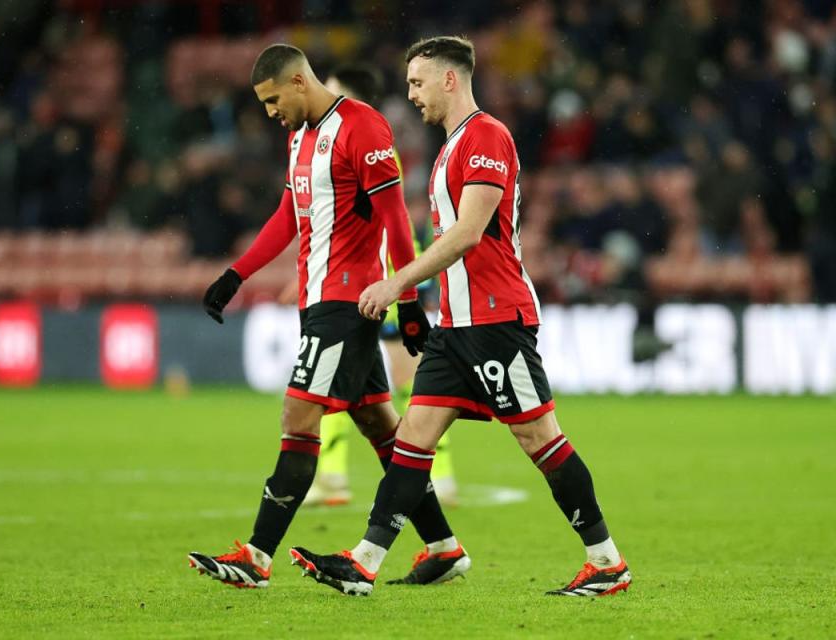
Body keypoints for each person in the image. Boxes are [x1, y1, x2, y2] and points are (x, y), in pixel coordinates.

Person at [289, 36, 631, 597]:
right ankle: (365, 562)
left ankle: (607, 561)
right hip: (455, 327)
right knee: (412, 440)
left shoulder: (487, 137)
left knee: (541, 440)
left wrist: (399, 281)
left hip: (497, 322)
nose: (410, 94)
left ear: (451, 79)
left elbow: (469, 234)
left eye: (417, 83)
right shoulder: (450, 146)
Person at [189, 44, 470, 589]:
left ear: (298, 81)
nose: (270, 112)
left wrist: (407, 302)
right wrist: (236, 273)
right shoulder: (298, 138)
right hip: (320, 303)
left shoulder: (362, 127)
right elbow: (286, 216)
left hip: (347, 305)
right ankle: (443, 547)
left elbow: (394, 219)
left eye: (273, 100)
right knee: (381, 428)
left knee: (298, 418)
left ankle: (257, 557)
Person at [302, 63, 459, 508]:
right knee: (343, 385)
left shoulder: (370, 137)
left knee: (406, 386)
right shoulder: (334, 140)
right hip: (361, 281)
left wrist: (407, 290)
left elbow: (397, 219)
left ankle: (436, 474)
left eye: (330, 89)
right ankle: (333, 476)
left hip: (389, 277)